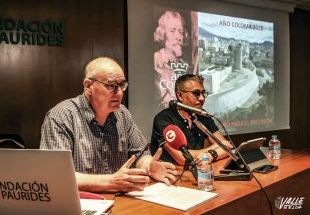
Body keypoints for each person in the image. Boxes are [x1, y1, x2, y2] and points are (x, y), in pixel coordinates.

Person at [40, 57, 177, 193]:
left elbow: (140, 153)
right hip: (82, 202)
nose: (119, 92)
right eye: (111, 85)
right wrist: (111, 182)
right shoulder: (62, 116)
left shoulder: (122, 114)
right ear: (88, 86)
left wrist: (149, 166)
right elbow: (56, 175)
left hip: (118, 197)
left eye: (122, 85)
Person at [150, 74, 232, 165]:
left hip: (198, 170)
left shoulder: (202, 115)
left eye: (203, 93)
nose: (202, 98)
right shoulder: (164, 119)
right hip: (171, 174)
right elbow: (183, 158)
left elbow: (228, 147)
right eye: (196, 93)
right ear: (180, 95)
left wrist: (211, 155)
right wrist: (214, 148)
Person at [153, 10, 192, 110]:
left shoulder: (185, 63)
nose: (178, 37)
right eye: (172, 31)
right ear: (163, 34)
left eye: (180, 32)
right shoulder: (156, 60)